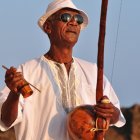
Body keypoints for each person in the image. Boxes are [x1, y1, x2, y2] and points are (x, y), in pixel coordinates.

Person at [0, 0, 126, 140]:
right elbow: (5, 120)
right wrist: (14, 93)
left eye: (78, 19)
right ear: (48, 27)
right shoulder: (26, 70)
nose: (73, 23)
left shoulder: (92, 71)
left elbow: (116, 116)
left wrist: (110, 113)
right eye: (65, 17)